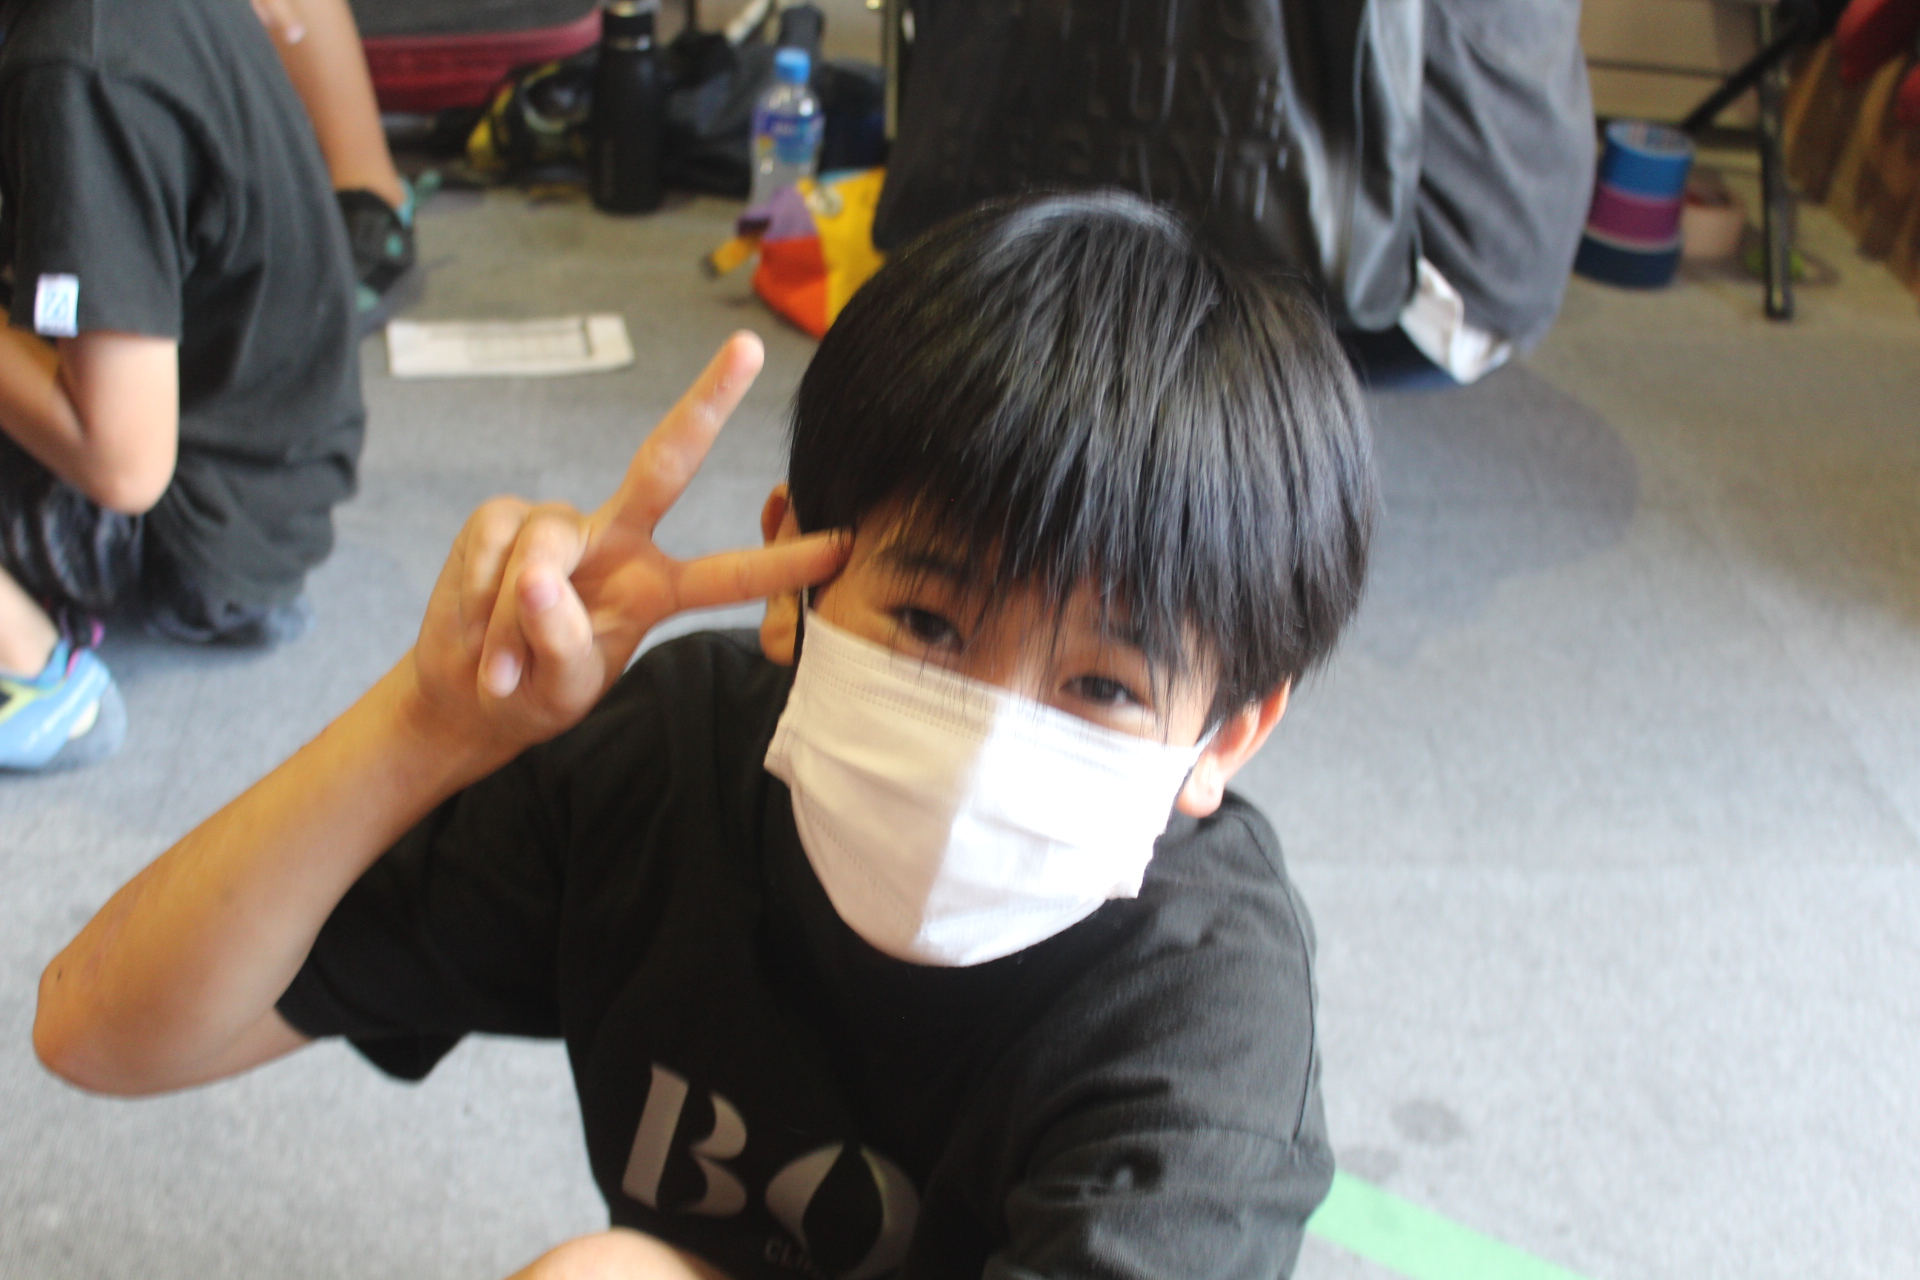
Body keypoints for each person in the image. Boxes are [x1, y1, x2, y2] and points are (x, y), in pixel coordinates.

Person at [34, 192, 1377, 1280]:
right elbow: (104, 1030)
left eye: (1102, 688)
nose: (984, 742)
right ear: (793, 576)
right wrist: (426, 730)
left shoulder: (1203, 1017)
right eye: (928, 622)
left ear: (1227, 735)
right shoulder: (670, 760)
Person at [0, 0, 364, 769]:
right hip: (266, 470)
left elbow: (124, 467)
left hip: (187, 530)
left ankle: (29, 673)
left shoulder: (77, 69)